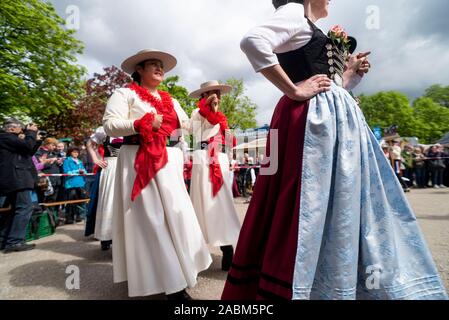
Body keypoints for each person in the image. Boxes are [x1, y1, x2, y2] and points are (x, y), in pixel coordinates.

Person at [222, 0, 447, 300]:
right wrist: (293, 89)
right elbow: (253, 42)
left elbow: (330, 86)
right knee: (310, 202)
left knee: (334, 202)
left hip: (331, 120)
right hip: (312, 123)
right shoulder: (293, 11)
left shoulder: (308, 24)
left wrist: (349, 75)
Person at [103, 49, 212, 299]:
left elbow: (189, 126)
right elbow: (109, 124)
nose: (160, 68)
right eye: (153, 64)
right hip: (138, 159)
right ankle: (172, 287)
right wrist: (139, 123)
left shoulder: (170, 100)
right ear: (139, 69)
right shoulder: (124, 93)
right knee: (151, 218)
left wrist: (206, 113)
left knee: (177, 216)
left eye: (161, 65)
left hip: (168, 160)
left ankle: (179, 270)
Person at [188, 80, 242, 271]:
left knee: (221, 203)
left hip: (219, 158)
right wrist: (209, 108)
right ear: (204, 95)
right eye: (212, 92)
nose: (216, 95)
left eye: (217, 92)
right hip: (203, 158)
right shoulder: (196, 113)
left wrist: (220, 117)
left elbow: (230, 140)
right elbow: (197, 127)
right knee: (202, 202)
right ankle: (196, 249)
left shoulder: (221, 116)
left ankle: (227, 246)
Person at [0, 118, 39, 253]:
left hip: (16, 178)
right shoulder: (5, 137)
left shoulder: (9, 140)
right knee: (24, 207)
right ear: (11, 129)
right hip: (17, 179)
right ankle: (15, 241)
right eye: (19, 127)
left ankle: (6, 240)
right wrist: (31, 133)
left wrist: (36, 139)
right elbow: (27, 146)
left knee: (15, 210)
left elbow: (27, 151)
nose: (22, 130)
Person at [85, 127, 122, 250]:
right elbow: (90, 143)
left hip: (126, 167)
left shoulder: (130, 126)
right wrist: (96, 159)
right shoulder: (105, 129)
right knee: (109, 200)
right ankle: (106, 237)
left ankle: (122, 237)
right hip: (110, 167)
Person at [63, 147, 87, 224]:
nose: (76, 154)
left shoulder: (80, 161)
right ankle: (69, 218)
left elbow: (85, 171)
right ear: (70, 153)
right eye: (74, 152)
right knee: (71, 202)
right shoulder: (67, 161)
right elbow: (66, 172)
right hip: (71, 184)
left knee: (81, 201)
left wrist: (84, 172)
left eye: (77, 152)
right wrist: (78, 171)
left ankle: (79, 216)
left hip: (80, 183)